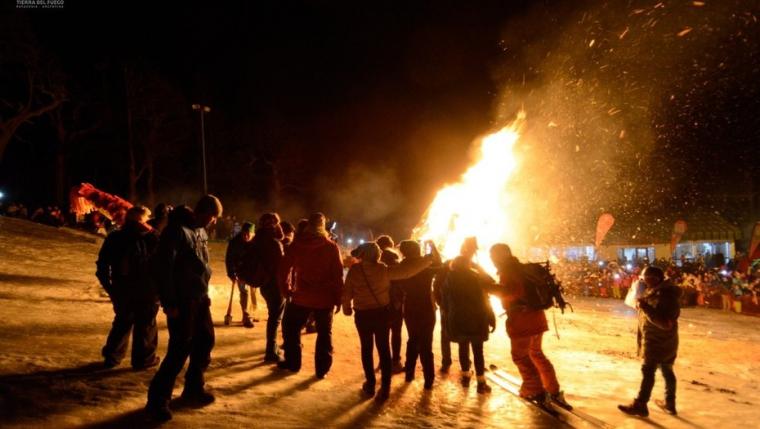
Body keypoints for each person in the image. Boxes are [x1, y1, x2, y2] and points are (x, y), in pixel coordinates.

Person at [145, 195, 223, 422]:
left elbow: (202, 266)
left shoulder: (200, 231)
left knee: (205, 340)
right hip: (181, 300)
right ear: (203, 213)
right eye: (212, 216)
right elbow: (163, 268)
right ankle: (157, 401)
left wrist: (205, 293)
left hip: (198, 298)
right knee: (180, 349)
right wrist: (169, 303)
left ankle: (193, 387)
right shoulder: (176, 231)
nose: (214, 222)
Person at [342, 241, 433, 400]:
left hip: (362, 314)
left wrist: (346, 307)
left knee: (366, 348)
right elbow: (406, 272)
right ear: (377, 255)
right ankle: (385, 387)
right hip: (381, 314)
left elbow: (347, 291)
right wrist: (427, 260)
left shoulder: (354, 271)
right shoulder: (382, 270)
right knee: (384, 349)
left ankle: (370, 383)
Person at [490, 243, 571, 409]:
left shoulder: (509, 271)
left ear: (500, 256)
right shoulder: (523, 268)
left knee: (521, 356)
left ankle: (534, 390)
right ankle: (552, 389)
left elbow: (512, 293)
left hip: (522, 319)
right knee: (536, 353)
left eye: (493, 256)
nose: (492, 260)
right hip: (537, 317)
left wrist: (490, 288)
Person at [277, 213, 344, 378]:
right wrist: (338, 298)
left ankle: (293, 363)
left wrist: (286, 290)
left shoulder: (297, 245)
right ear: (322, 226)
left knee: (291, 329)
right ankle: (322, 370)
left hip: (301, 296)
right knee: (324, 333)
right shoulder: (331, 247)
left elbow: (283, 270)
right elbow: (338, 275)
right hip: (325, 298)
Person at [95, 205, 160, 370]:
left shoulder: (116, 237)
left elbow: (102, 265)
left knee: (122, 323)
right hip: (146, 290)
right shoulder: (152, 237)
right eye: (145, 219)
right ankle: (143, 359)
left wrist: (110, 288)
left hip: (124, 289)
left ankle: (112, 356)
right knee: (145, 325)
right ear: (140, 220)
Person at [619, 265, 681, 417]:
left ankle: (641, 404)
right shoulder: (656, 292)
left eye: (646, 279)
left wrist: (645, 307)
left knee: (648, 371)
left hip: (658, 342)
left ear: (654, 279)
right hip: (662, 341)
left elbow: (665, 323)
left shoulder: (665, 296)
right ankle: (670, 403)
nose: (644, 282)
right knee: (667, 371)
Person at [440, 253, 495, 394]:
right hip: (477, 318)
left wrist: (448, 317)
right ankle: (481, 382)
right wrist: (491, 317)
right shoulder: (476, 277)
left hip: (457, 319)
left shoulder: (449, 279)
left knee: (463, 347)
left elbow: (444, 302)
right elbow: (486, 295)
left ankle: (465, 376)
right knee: (478, 351)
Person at [397, 240, 442, 390]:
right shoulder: (424, 265)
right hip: (426, 307)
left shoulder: (402, 266)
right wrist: (433, 246)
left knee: (413, 339)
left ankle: (409, 373)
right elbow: (439, 265)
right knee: (426, 344)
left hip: (410, 307)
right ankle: (429, 379)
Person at [249, 213, 286, 361]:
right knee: (275, 318)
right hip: (275, 284)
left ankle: (272, 347)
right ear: (273, 225)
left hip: (264, 284)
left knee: (273, 316)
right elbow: (280, 266)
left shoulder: (257, 241)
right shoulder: (274, 243)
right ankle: (271, 351)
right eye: (276, 223)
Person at [377, 235, 405, 374]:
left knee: (382, 333)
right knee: (396, 332)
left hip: (379, 302)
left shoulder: (375, 262)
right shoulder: (395, 261)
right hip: (394, 303)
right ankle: (395, 361)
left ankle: (383, 361)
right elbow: (401, 283)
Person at [224, 221, 256, 328]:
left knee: (252, 292)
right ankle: (245, 314)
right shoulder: (234, 242)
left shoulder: (256, 243)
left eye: (248, 234)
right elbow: (229, 259)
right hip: (240, 270)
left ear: (253, 234)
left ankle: (251, 312)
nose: (246, 236)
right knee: (244, 290)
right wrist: (231, 273)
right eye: (244, 234)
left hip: (253, 271)